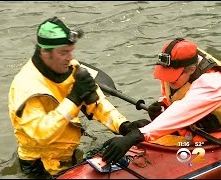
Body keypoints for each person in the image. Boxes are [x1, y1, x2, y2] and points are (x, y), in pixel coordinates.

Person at [8, 16, 150, 178]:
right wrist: (74, 99)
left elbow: (96, 104)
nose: (70, 57)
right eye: (63, 52)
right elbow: (42, 134)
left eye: (70, 51)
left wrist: (123, 126)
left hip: (69, 154)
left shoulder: (71, 67)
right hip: (39, 164)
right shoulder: (26, 88)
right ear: (45, 53)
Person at [102, 37, 221, 164]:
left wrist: (137, 135)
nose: (168, 82)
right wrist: (162, 106)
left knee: (143, 135)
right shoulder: (175, 68)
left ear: (192, 69)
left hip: (220, 138)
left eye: (172, 79)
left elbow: (181, 111)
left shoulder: (212, 85)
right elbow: (172, 99)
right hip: (190, 131)